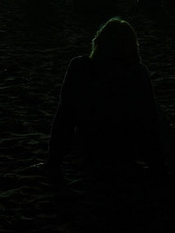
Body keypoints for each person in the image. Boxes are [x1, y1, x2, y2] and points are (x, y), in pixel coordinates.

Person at [46, 18, 165, 183]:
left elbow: (64, 117)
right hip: (125, 149)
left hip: (89, 145)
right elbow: (148, 123)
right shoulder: (136, 73)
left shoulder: (79, 67)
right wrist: (156, 166)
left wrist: (54, 160)